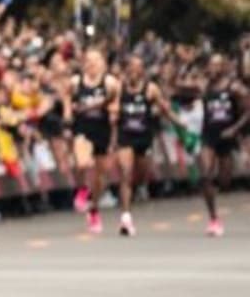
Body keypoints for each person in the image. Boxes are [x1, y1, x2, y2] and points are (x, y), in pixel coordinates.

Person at [113, 55, 180, 237]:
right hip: (125, 136)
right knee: (125, 173)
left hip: (143, 137)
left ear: (142, 71)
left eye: (138, 68)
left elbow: (165, 109)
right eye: (131, 68)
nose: (134, 72)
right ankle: (125, 217)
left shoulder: (150, 89)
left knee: (140, 176)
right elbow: (110, 109)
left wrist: (180, 124)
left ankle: (135, 191)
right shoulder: (119, 88)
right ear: (126, 70)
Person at [64, 49, 120, 234]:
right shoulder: (76, 81)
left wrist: (113, 114)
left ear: (102, 63)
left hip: (102, 129)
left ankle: (93, 209)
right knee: (82, 163)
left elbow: (116, 104)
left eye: (96, 60)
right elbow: (66, 96)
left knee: (100, 175)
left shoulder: (110, 82)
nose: (92, 64)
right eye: (89, 60)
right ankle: (81, 189)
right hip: (82, 128)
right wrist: (68, 112)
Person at [199, 54, 249, 237]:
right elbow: (179, 86)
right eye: (210, 65)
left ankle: (219, 188)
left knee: (224, 181)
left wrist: (235, 129)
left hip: (227, 136)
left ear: (223, 68)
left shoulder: (233, 87)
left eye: (216, 65)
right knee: (205, 175)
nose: (212, 68)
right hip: (208, 135)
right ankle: (213, 219)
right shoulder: (204, 86)